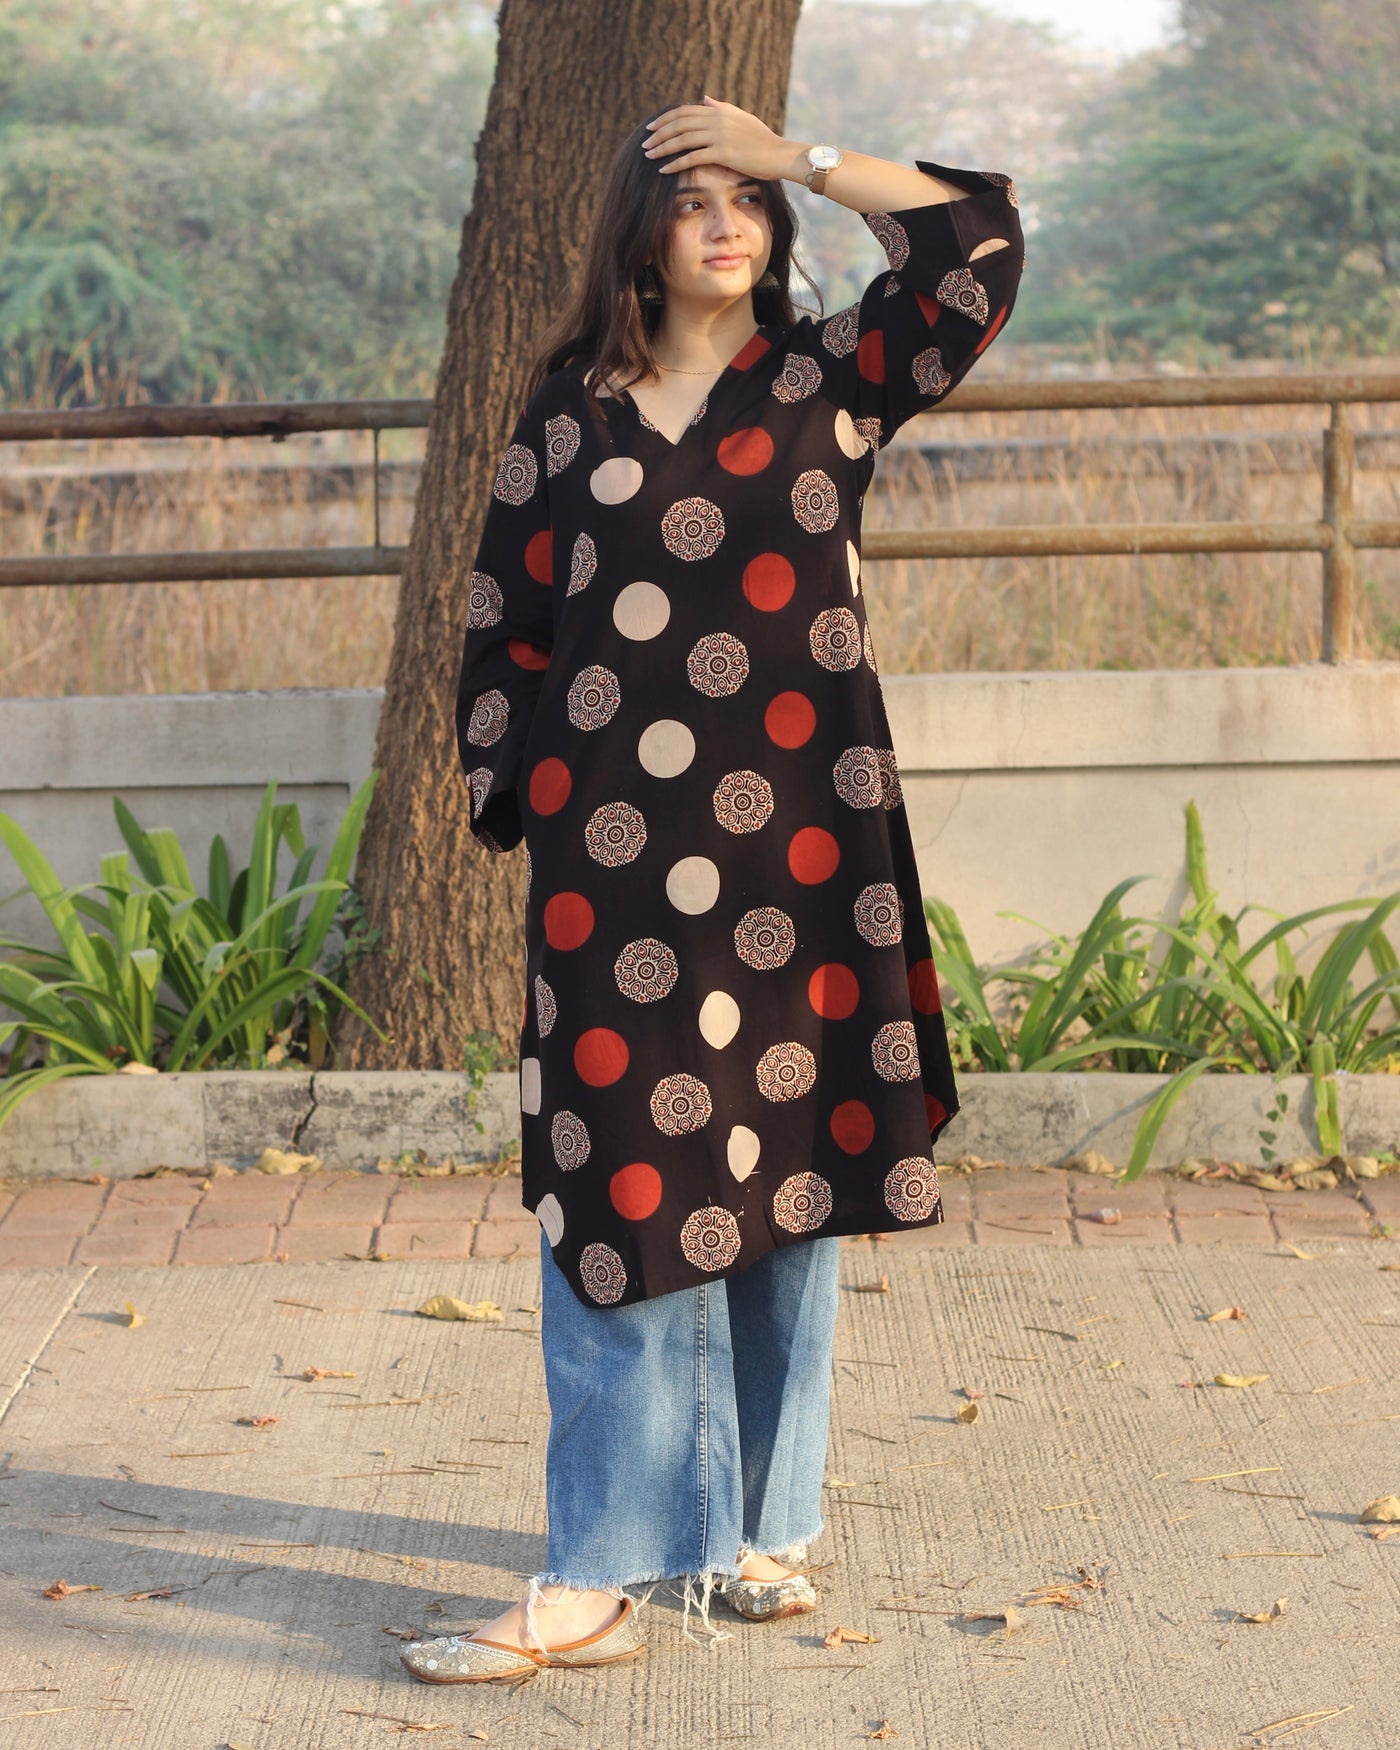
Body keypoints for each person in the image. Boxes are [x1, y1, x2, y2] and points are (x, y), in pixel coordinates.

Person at [401, 94, 1023, 1686]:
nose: (726, 222)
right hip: (613, 878)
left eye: (746, 200)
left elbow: (972, 248)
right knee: (616, 1186)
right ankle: (597, 1572)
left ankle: (758, 1528)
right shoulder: (566, 414)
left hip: (801, 863)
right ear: (640, 233)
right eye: (692, 199)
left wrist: (792, 148)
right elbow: (502, 624)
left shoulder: (831, 380)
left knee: (785, 1179)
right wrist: (540, 790)